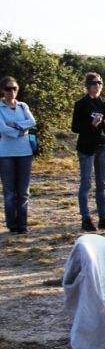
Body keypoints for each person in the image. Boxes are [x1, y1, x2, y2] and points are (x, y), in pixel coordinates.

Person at [71, 72, 105, 232]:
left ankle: (103, 218)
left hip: (102, 147)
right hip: (87, 148)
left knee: (101, 184)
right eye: (93, 83)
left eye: (99, 83)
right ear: (87, 86)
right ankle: (86, 218)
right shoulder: (81, 104)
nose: (97, 86)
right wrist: (91, 124)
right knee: (86, 184)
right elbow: (75, 127)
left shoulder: (102, 104)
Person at [0, 77, 36, 234]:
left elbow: (32, 121)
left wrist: (16, 126)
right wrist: (21, 130)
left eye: (14, 88)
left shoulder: (23, 106)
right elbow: (2, 129)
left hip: (25, 152)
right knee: (9, 192)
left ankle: (22, 223)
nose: (11, 92)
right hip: (6, 153)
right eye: (8, 89)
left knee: (23, 191)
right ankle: (11, 224)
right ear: (2, 90)